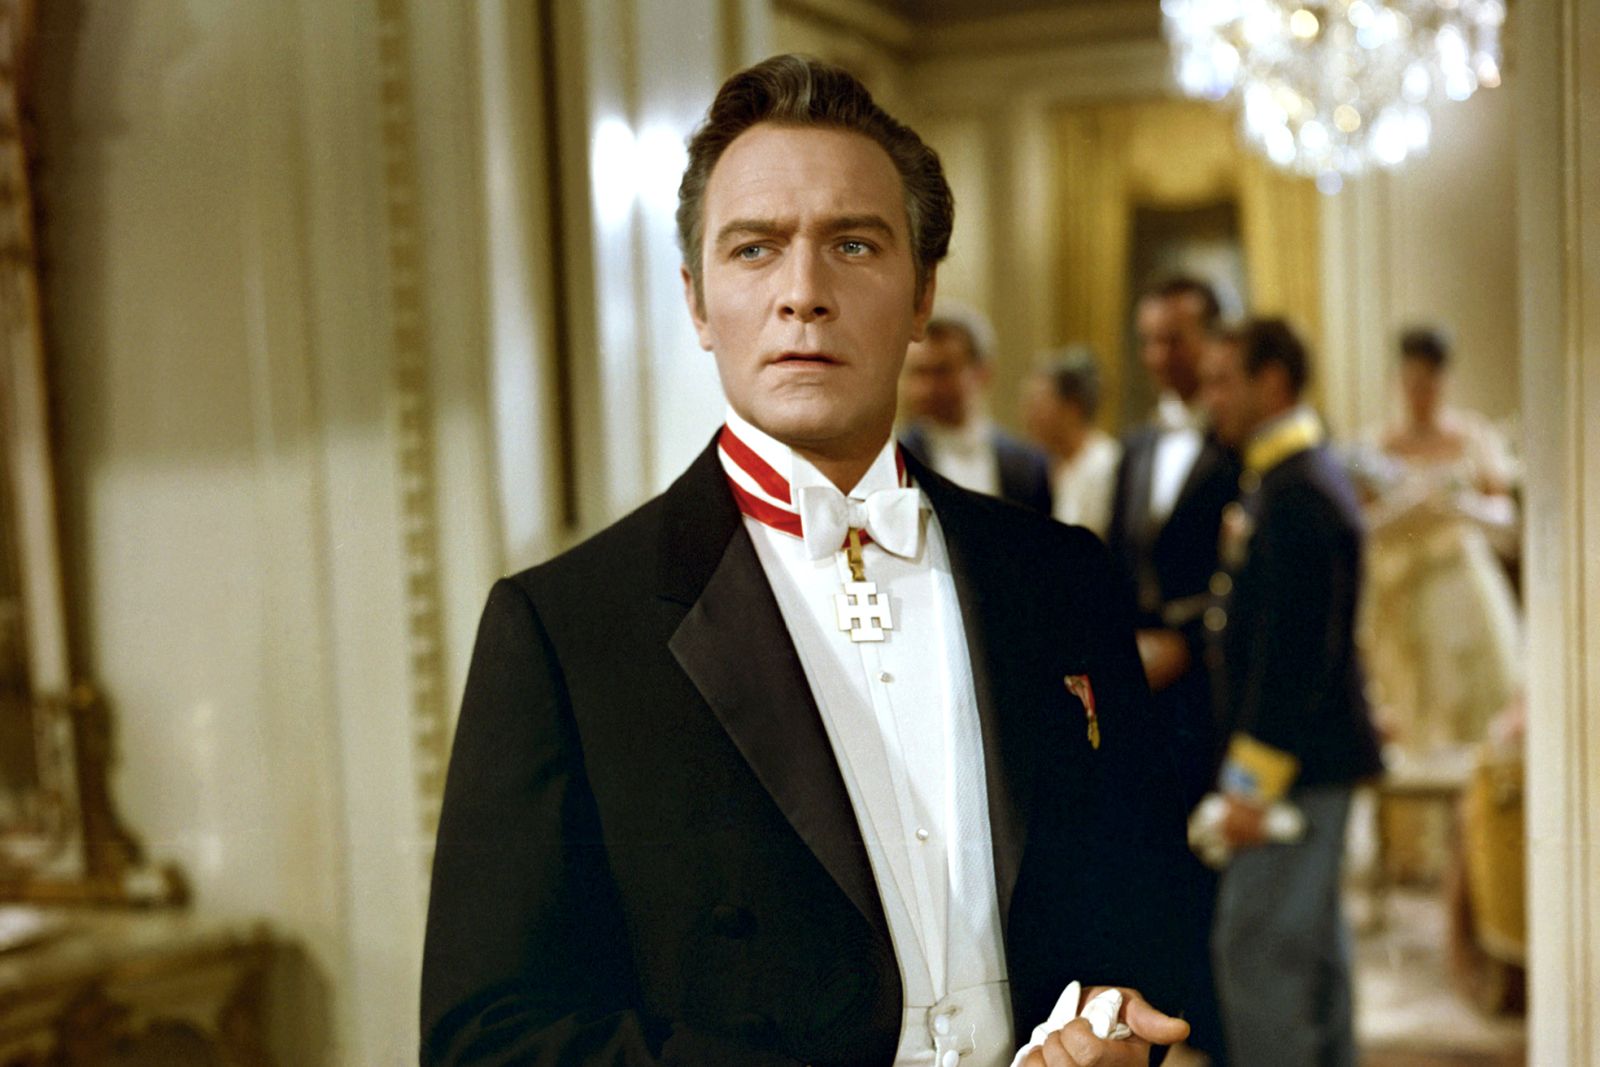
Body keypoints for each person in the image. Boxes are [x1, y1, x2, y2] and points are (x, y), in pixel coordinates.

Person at [421, 54, 1194, 1067]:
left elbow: (1148, 905)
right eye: (754, 249)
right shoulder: (566, 628)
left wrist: (1113, 1025)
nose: (803, 294)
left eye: (853, 244)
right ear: (698, 303)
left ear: (922, 295)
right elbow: (487, 1037)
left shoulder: (1059, 574)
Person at [1197, 319, 1385, 1067]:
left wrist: (1248, 788)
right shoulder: (1285, 477)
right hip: (1309, 763)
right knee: (1309, 954)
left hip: (1294, 769)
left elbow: (1295, 660)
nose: (1211, 398)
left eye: (1224, 381)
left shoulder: (1299, 489)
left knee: (1259, 952)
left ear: (1272, 382)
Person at [1350, 327, 1521, 752]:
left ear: (1444, 382)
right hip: (1397, 586)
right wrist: (1404, 508)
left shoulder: (1473, 436)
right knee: (1404, 707)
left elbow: (1507, 521)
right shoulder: (1376, 444)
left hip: (1458, 582)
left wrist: (1462, 504)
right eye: (1411, 383)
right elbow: (1359, 528)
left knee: (1467, 709)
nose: (1419, 395)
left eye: (1428, 384)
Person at [900, 305, 1055, 515]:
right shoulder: (895, 461)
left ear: (982, 372)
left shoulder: (1027, 465)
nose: (926, 388)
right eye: (919, 372)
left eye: (941, 371)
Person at [1019, 347, 1121, 538]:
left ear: (1073, 408)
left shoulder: (1104, 465)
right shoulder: (1050, 466)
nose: (1030, 414)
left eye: (1040, 402)